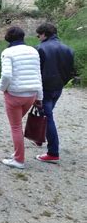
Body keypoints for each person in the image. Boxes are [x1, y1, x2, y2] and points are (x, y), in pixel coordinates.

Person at [0, 26, 43, 169]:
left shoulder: (8, 52)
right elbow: (38, 74)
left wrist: (2, 88)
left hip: (14, 94)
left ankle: (19, 160)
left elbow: (6, 75)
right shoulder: (34, 51)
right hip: (31, 94)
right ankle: (18, 153)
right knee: (18, 125)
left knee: (16, 127)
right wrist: (39, 96)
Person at [35, 23, 74, 164]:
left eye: (38, 35)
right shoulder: (68, 49)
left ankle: (53, 152)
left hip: (45, 88)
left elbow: (36, 71)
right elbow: (71, 71)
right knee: (47, 114)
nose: (38, 38)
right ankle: (40, 138)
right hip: (58, 87)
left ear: (44, 34)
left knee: (47, 116)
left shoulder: (40, 48)